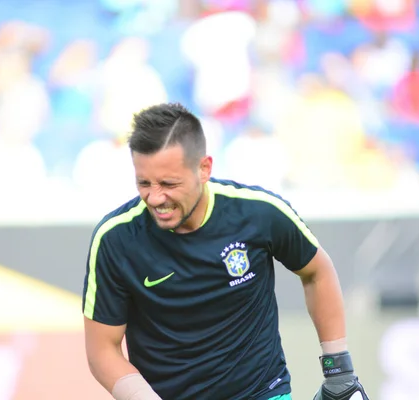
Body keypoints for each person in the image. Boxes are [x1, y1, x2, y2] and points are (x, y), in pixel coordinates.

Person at [81, 102, 370, 400]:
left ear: (204, 168)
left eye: (169, 183)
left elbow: (316, 272)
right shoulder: (114, 239)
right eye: (144, 183)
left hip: (261, 392)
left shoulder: (259, 212)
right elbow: (103, 350)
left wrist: (340, 372)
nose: (155, 198)